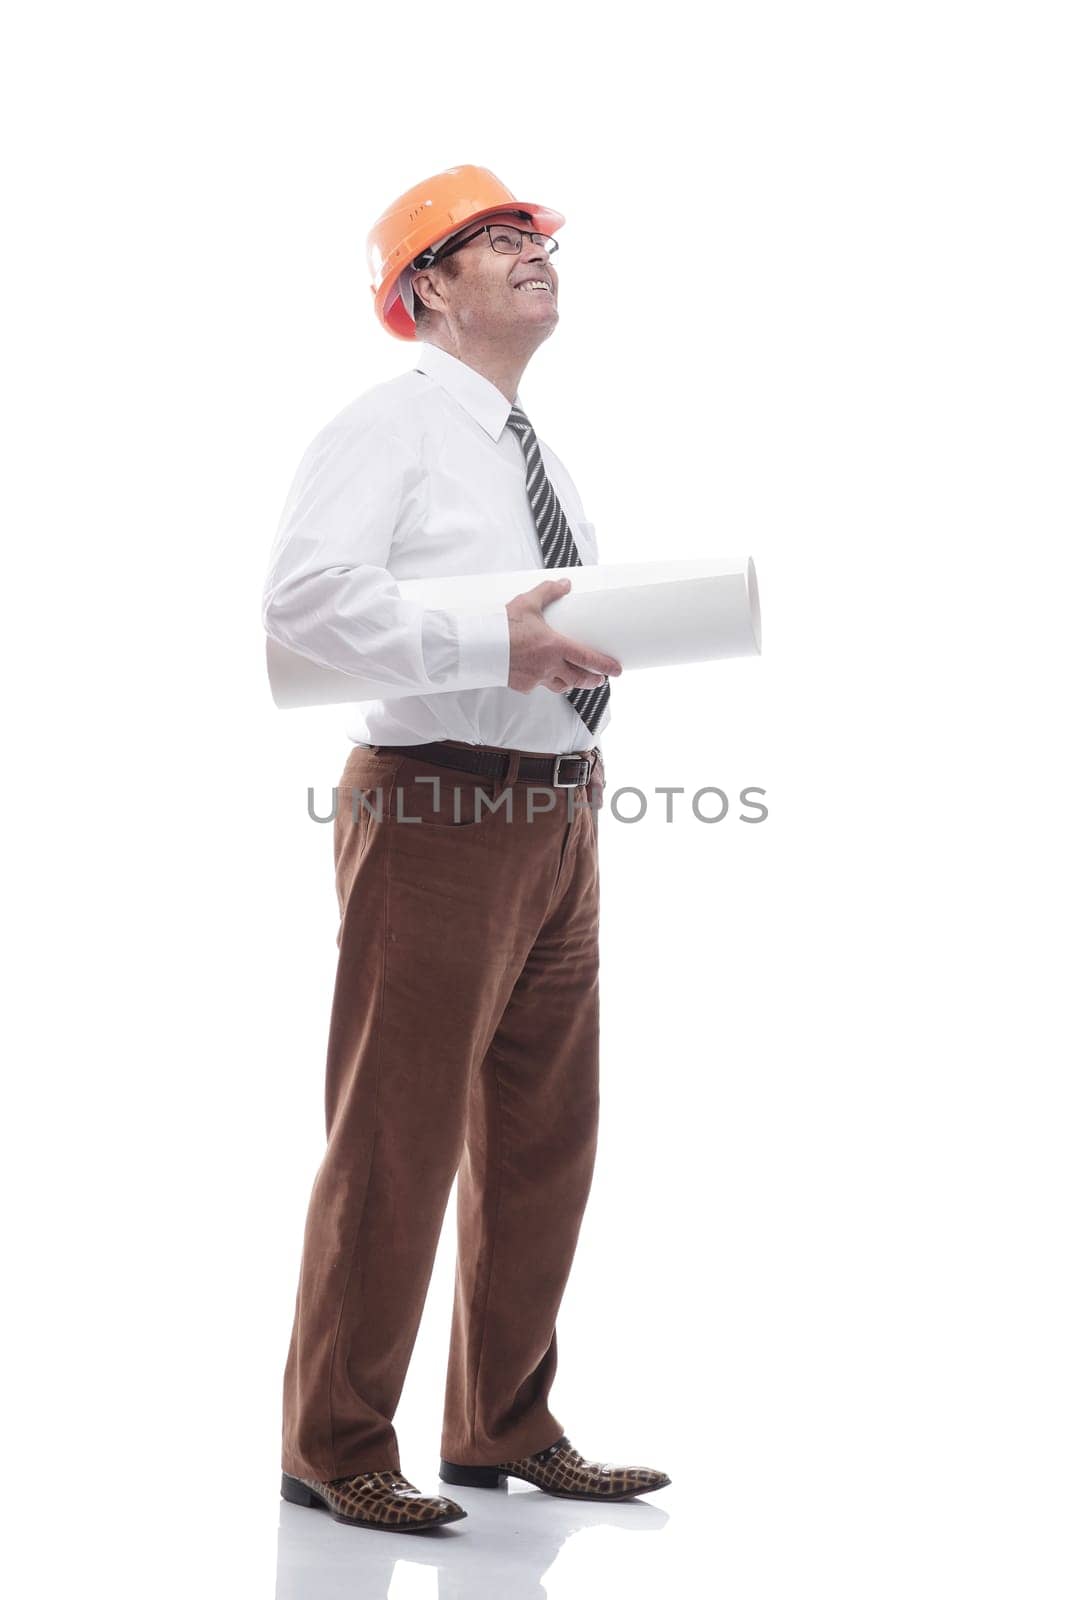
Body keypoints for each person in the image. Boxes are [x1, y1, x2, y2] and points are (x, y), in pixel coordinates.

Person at [262, 164, 671, 1533]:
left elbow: (543, 616)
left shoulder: (532, 451)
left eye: (537, 238)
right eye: (495, 240)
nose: (533, 254)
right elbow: (308, 601)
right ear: (424, 287)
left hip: (560, 802)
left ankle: (501, 1423)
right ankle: (334, 1443)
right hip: (439, 800)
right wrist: (491, 641)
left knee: (545, 1135)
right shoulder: (392, 427)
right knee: (397, 1131)